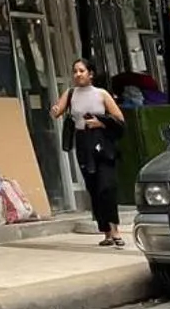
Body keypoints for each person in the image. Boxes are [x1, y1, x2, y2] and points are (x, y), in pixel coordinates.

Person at [52, 58, 126, 246]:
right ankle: (106, 232)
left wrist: (101, 123)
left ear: (90, 74)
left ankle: (115, 230)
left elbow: (119, 119)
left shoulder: (101, 94)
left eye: (81, 71)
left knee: (107, 187)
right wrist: (55, 109)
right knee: (93, 187)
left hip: (102, 142)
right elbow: (57, 111)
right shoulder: (70, 93)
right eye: (75, 71)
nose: (78, 74)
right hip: (83, 142)